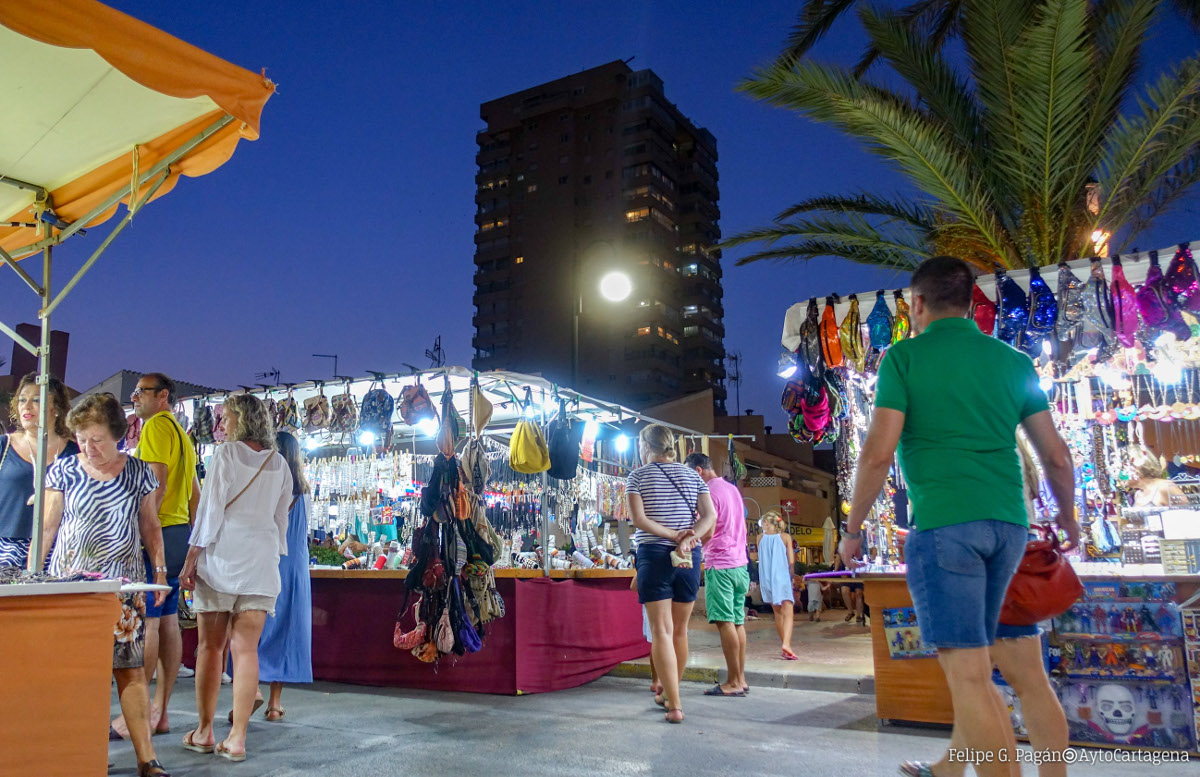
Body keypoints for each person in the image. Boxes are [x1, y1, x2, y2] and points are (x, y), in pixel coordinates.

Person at [840, 256, 1078, 777]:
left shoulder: (903, 359)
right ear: (972, 303)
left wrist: (853, 529)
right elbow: (1055, 455)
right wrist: (1071, 519)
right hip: (1010, 527)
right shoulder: (1012, 362)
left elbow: (878, 453)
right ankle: (959, 769)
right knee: (1005, 670)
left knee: (968, 675)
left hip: (946, 526)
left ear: (917, 303)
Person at [902, 438, 1070, 777]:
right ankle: (950, 765)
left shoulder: (958, 437)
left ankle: (979, 770)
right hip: (1015, 556)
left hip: (979, 562)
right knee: (1016, 682)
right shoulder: (1010, 440)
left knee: (975, 681)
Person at [37, 393, 171, 777]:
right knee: (75, 672)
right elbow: (48, 528)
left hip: (122, 587)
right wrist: (36, 577)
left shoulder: (138, 472)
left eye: (96, 439)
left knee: (129, 670)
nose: (87, 447)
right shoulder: (64, 471)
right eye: (81, 438)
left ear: (116, 435)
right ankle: (81, 753)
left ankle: (148, 759)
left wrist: (159, 574)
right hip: (71, 587)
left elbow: (150, 527)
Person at [180, 394, 292, 762]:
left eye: (225, 418)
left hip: (221, 561)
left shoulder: (225, 455)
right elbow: (280, 524)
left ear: (241, 419)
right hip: (260, 565)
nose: (221, 425)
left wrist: (190, 558)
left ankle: (205, 730)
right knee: (247, 651)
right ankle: (238, 738)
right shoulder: (280, 465)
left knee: (210, 648)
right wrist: (269, 556)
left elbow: (209, 513)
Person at [112, 373, 199, 739]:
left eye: (140, 391)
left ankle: (138, 712)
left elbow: (156, 485)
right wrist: (195, 542)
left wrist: (143, 531)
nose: (134, 397)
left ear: (162, 396)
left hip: (159, 531)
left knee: (147, 620)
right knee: (166, 621)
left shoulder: (156, 428)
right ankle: (159, 711)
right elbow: (195, 493)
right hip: (179, 532)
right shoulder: (181, 433)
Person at [627, 424, 717, 724]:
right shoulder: (693, 475)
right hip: (687, 556)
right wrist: (689, 539)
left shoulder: (637, 476)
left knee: (662, 632)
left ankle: (675, 704)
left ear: (645, 445)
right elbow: (710, 517)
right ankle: (668, 693)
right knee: (680, 630)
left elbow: (639, 520)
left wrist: (671, 534)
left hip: (654, 555)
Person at [256, 430, 314, 721]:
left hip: (267, 562)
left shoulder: (265, 486)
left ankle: (250, 690)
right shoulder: (303, 491)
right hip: (295, 570)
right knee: (285, 632)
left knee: (254, 627)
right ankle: (275, 703)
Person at [684, 452, 749, 697]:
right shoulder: (731, 488)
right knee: (737, 621)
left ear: (698, 471)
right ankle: (740, 678)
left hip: (720, 563)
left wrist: (689, 540)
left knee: (725, 622)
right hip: (740, 563)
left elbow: (708, 532)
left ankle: (732, 681)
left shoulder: (708, 492)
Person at [0, 373, 79, 568]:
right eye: (22, 400)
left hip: (59, 548)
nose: (26, 406)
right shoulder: (4, 445)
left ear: (57, 408)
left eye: (36, 400)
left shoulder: (75, 452)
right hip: (5, 547)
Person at [758, 511, 798, 659]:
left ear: (767, 523)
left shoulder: (759, 538)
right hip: (781, 577)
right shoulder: (785, 537)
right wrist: (792, 577)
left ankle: (785, 645)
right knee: (788, 612)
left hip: (766, 579)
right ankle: (786, 644)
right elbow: (791, 562)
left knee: (778, 613)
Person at [833, 555, 865, 625]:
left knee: (858, 593)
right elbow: (838, 558)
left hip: (858, 574)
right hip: (846, 573)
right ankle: (850, 612)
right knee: (844, 591)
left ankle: (858, 615)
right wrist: (835, 571)